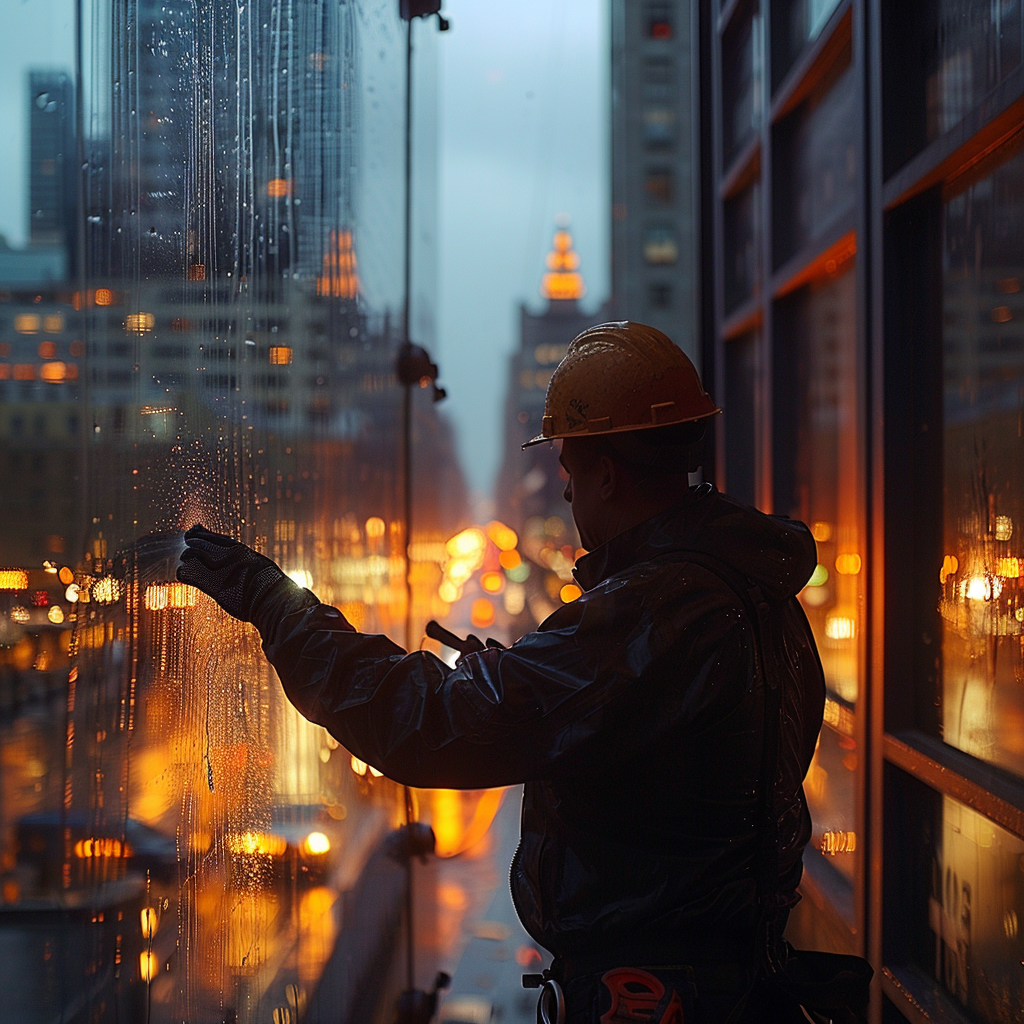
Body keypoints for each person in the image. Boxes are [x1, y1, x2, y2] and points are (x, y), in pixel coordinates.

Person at [178, 322, 861, 1023]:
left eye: (567, 468)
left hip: (651, 998)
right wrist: (532, 685)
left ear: (606, 472)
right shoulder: (758, 595)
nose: (565, 494)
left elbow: (430, 724)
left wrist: (274, 603)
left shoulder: (651, 612)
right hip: (734, 983)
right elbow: (677, 761)